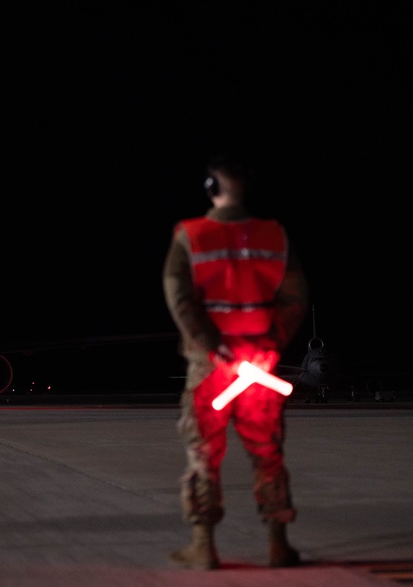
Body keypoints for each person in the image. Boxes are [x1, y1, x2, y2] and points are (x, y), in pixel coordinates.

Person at [162, 153, 309, 569]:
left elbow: (179, 297)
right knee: (268, 453)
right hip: (259, 367)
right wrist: (273, 343)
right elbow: (295, 298)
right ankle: (278, 543)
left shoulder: (191, 235)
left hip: (211, 368)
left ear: (212, 189)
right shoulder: (273, 235)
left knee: (204, 452)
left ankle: (203, 545)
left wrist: (211, 344)